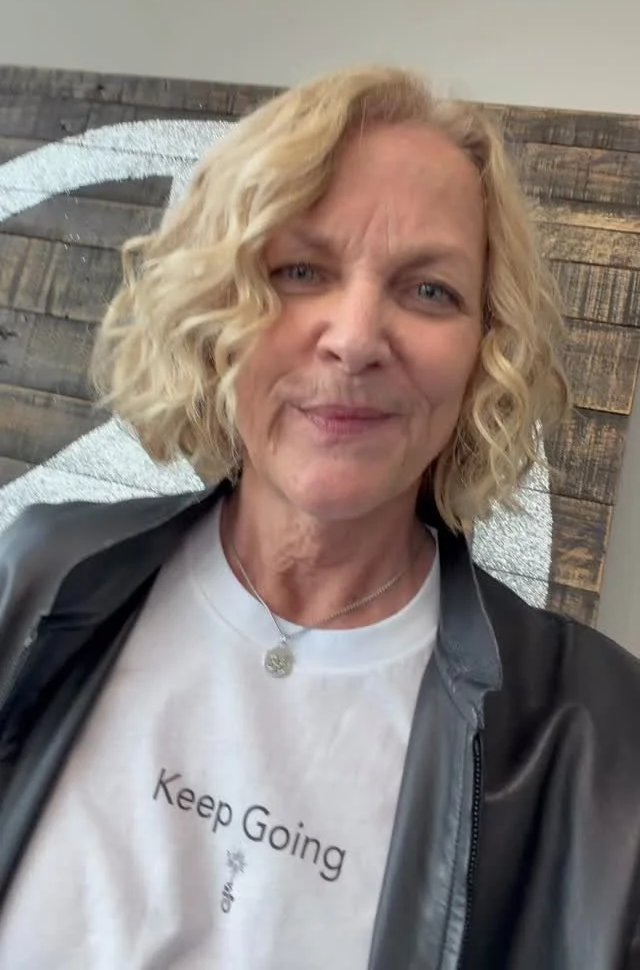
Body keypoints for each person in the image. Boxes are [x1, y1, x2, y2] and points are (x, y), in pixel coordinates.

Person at [0, 66, 638, 970]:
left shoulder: (596, 736)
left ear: (485, 351)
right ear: (218, 306)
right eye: (300, 271)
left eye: (429, 290)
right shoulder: (36, 576)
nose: (355, 337)